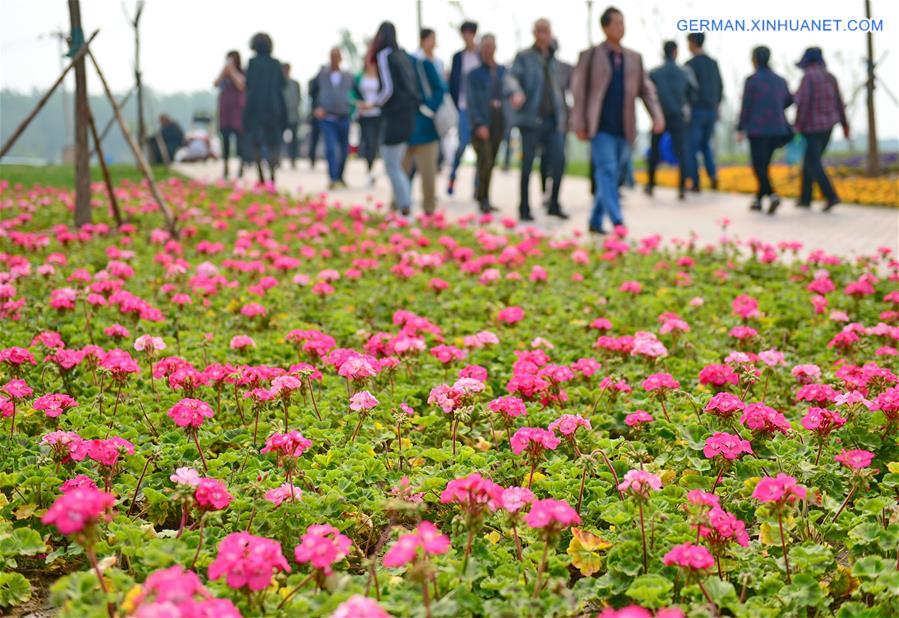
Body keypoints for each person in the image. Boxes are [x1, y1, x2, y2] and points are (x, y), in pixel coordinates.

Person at [571, 7, 664, 234]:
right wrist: (579, 124)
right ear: (605, 27)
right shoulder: (590, 55)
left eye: (623, 23)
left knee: (614, 175)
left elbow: (646, 90)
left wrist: (657, 116)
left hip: (625, 127)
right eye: (616, 23)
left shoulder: (634, 57)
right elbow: (579, 91)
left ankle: (595, 220)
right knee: (607, 171)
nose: (621, 27)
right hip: (599, 126)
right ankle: (618, 220)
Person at [507, 18, 569, 222]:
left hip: (552, 120)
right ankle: (524, 208)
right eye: (540, 31)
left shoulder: (553, 59)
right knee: (527, 166)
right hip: (531, 120)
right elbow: (511, 77)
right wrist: (516, 92)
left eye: (546, 31)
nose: (543, 35)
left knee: (559, 160)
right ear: (534, 33)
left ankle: (554, 204)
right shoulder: (524, 57)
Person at [361, 21, 420, 216]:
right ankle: (404, 205)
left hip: (395, 116)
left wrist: (373, 103)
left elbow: (388, 88)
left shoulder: (385, 55)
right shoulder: (401, 55)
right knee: (397, 165)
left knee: (392, 165)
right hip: (408, 115)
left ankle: (405, 207)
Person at [736, 46, 793, 214]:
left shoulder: (752, 80)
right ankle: (758, 200)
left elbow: (746, 105)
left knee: (758, 166)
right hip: (777, 129)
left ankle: (772, 194)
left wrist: (740, 127)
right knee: (764, 165)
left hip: (757, 130)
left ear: (754, 59)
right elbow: (789, 100)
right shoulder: (780, 80)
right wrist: (775, 106)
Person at [793, 47, 849, 212]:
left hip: (811, 127)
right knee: (810, 160)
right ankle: (805, 198)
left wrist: (797, 125)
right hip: (828, 127)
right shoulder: (830, 77)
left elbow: (803, 103)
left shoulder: (808, 77)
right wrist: (845, 125)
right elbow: (839, 102)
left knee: (812, 161)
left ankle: (831, 196)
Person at [466, 34, 508, 213]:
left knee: (491, 163)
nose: (488, 49)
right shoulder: (474, 75)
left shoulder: (502, 71)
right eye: (485, 46)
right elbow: (472, 101)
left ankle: (485, 197)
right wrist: (478, 123)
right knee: (485, 160)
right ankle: (482, 198)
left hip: (498, 122)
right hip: (482, 123)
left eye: (491, 46)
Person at [647, 41, 694, 199]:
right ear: (675, 52)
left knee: (654, 150)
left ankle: (650, 184)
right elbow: (693, 92)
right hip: (678, 115)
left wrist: (654, 114)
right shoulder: (684, 72)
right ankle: (682, 187)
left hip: (659, 115)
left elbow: (648, 94)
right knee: (682, 151)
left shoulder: (654, 72)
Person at [405, 42, 446, 215]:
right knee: (401, 174)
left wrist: (428, 108)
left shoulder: (422, 64)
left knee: (428, 175)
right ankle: (400, 207)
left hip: (426, 130)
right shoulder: (394, 67)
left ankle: (429, 210)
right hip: (404, 131)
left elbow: (440, 89)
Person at [243, 32, 286, 185]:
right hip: (273, 107)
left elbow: (248, 85)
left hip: (255, 107)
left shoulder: (252, 63)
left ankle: (261, 173)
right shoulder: (275, 64)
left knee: (256, 142)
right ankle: (272, 172)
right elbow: (282, 85)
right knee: (273, 142)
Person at [685, 32, 723, 192]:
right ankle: (713, 175)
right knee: (705, 144)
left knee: (692, 147)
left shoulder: (690, 64)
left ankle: (695, 181)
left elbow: (687, 89)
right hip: (712, 110)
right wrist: (717, 105)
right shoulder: (713, 63)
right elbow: (720, 86)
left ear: (692, 42)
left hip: (697, 111)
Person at [447, 21, 480, 196]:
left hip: (479, 109)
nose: (467, 36)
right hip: (462, 107)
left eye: (470, 33)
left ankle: (477, 186)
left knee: (479, 148)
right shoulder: (458, 57)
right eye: (464, 33)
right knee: (462, 145)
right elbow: (453, 82)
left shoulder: (480, 55)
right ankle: (452, 175)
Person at [314, 48, 354, 189]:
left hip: (343, 116)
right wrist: (316, 107)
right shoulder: (322, 75)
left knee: (344, 150)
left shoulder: (348, 76)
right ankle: (332, 178)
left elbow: (357, 93)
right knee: (330, 148)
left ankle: (340, 176)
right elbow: (313, 91)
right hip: (328, 117)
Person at [214, 50, 245, 179]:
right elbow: (215, 84)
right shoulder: (224, 75)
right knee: (225, 141)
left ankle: (241, 166)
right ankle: (225, 166)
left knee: (240, 143)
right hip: (225, 113)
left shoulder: (241, 73)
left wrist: (232, 71)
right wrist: (224, 71)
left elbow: (241, 85)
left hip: (237, 113)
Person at [355, 53, 383, 185]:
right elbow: (353, 93)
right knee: (367, 142)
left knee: (374, 143)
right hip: (364, 114)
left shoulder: (381, 76)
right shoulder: (360, 77)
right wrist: (358, 103)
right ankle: (369, 169)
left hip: (377, 113)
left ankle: (371, 169)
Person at [282, 63, 302, 169]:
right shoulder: (279, 84)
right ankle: (278, 160)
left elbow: (298, 98)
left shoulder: (295, 84)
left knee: (294, 140)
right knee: (279, 140)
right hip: (281, 117)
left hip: (293, 116)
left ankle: (293, 159)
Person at [307, 72, 322, 168]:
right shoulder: (314, 82)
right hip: (315, 116)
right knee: (314, 139)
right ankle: (312, 158)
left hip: (328, 114)